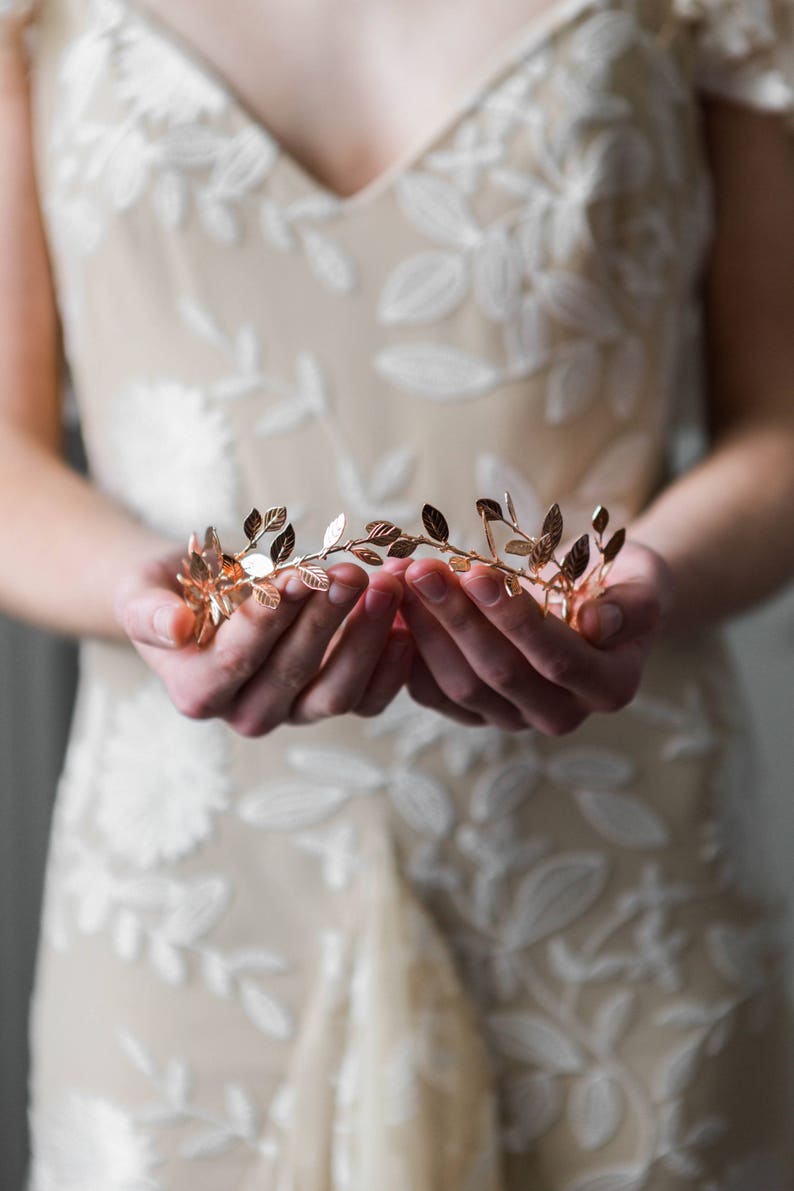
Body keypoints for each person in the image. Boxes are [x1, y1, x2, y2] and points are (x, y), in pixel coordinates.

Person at [2, 0, 794, 1186]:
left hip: (615, 868)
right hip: (193, 893)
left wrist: (643, 584)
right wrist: (143, 596)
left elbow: (779, 421)